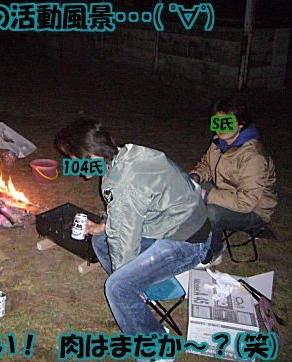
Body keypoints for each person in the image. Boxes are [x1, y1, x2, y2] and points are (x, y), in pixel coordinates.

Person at [55, 118, 212, 341]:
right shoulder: (125, 155)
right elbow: (130, 211)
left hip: (187, 241)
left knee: (118, 287)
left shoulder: (124, 181)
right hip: (171, 221)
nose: (73, 164)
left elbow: (124, 239)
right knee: (101, 240)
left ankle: (155, 346)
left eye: (74, 158)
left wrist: (123, 277)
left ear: (91, 155)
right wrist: (104, 226)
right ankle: (148, 291)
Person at [189, 97, 277, 261]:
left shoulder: (254, 156)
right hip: (228, 194)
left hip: (254, 210)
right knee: (189, 190)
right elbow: (207, 165)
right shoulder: (219, 143)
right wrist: (195, 177)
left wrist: (207, 196)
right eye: (217, 122)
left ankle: (213, 252)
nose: (220, 128)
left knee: (212, 211)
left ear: (241, 124)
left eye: (227, 122)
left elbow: (246, 202)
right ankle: (187, 240)